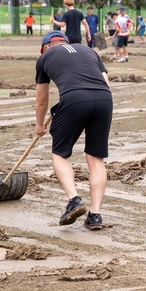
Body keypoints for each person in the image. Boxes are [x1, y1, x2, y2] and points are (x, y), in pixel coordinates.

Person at [35, 31, 113, 231]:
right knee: (96, 159)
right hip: (104, 99)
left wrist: (40, 125)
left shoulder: (44, 58)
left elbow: (41, 100)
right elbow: (106, 83)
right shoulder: (88, 50)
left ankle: (74, 200)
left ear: (45, 47)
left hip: (74, 98)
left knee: (60, 153)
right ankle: (95, 216)